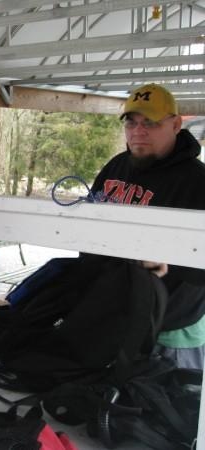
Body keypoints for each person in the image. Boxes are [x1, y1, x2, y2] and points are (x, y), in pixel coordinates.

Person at [91, 83, 205, 369]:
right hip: (118, 316)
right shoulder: (116, 166)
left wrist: (167, 258)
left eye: (150, 123)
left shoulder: (197, 181)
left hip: (171, 328)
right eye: (131, 122)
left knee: (170, 409)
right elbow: (90, 229)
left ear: (176, 124)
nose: (138, 131)